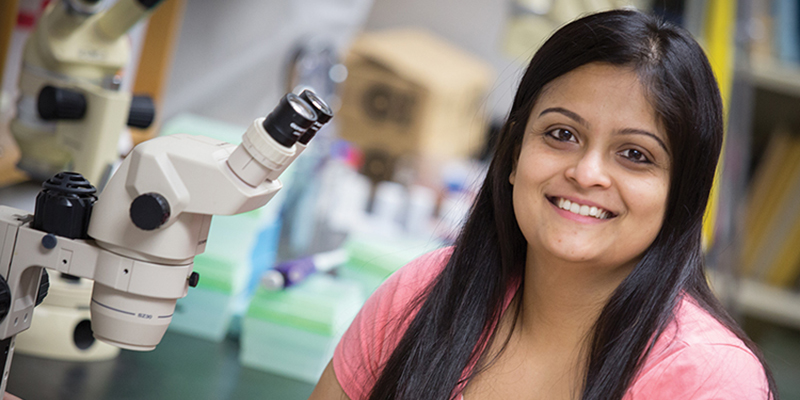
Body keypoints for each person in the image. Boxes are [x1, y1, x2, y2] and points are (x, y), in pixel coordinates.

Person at [310, 8, 778, 400]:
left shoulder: (709, 379)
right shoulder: (423, 291)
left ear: (682, 194)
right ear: (513, 154)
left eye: (635, 155)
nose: (586, 172)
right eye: (562, 134)